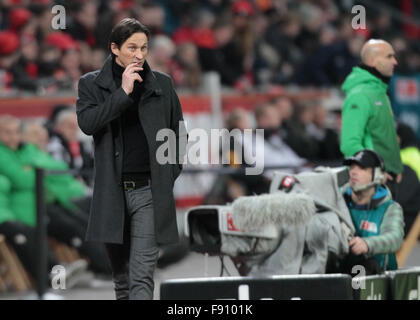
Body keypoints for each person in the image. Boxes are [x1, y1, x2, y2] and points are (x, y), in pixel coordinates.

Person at [76, 18, 187, 300]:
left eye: (144, 48)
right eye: (131, 48)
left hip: (148, 191)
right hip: (111, 194)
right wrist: (122, 93)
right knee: (122, 281)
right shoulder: (91, 84)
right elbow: (88, 124)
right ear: (114, 48)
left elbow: (179, 135)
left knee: (141, 277)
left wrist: (168, 175)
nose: (139, 55)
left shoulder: (161, 83)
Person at [340, 39, 403, 199]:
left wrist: (395, 168)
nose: (395, 62)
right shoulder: (360, 94)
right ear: (373, 61)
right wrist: (375, 171)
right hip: (374, 184)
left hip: (387, 180)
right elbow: (349, 143)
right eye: (389, 57)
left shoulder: (379, 92)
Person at [340, 149, 404, 274]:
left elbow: (394, 238)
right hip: (340, 273)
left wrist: (367, 244)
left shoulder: (390, 208)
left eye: (361, 168)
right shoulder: (338, 200)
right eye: (352, 167)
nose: (353, 172)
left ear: (378, 175)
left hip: (378, 279)